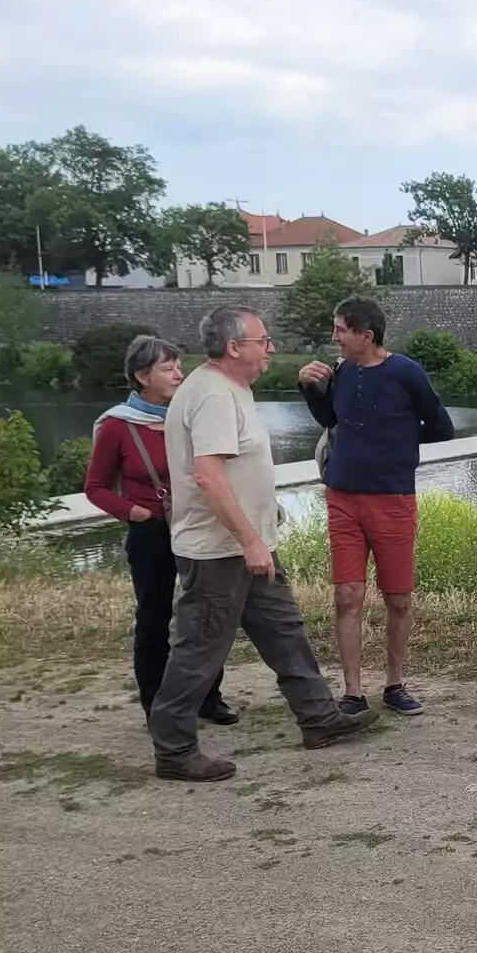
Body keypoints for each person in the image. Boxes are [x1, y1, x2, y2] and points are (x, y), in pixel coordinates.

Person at [150, 306, 377, 781]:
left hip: (248, 545)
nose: (271, 349)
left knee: (283, 629)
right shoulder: (213, 394)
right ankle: (173, 748)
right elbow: (209, 477)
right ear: (234, 347)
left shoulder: (230, 388)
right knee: (199, 646)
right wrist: (250, 540)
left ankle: (319, 718)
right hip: (220, 551)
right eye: (263, 341)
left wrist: (260, 530)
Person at [297, 297, 455, 717]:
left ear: (365, 336)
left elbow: (442, 428)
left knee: (398, 599)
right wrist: (309, 387)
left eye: (339, 330)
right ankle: (352, 692)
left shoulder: (407, 372)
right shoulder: (343, 371)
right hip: (342, 495)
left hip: (392, 497)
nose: (333, 337)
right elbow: (331, 420)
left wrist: (396, 442)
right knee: (347, 595)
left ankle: (394, 685)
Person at [84, 336, 235, 726]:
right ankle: (155, 703)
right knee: (153, 617)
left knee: (203, 616)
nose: (178, 374)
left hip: (194, 525)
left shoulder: (185, 417)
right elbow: (95, 487)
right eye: (168, 368)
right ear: (141, 376)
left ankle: (207, 697)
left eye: (179, 366)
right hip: (150, 532)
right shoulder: (118, 425)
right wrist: (132, 512)